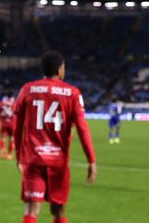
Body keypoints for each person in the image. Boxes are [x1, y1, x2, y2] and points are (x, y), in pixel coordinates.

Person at [13, 51, 97, 223]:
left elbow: (17, 127)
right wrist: (91, 160)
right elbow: (82, 128)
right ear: (60, 70)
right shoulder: (72, 93)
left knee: (31, 209)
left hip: (32, 159)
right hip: (58, 161)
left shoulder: (27, 89)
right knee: (58, 209)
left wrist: (18, 157)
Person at [0, 92, 15, 159]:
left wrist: (1, 120)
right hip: (12, 123)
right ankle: (9, 154)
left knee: (2, 138)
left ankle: (3, 150)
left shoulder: (2, 103)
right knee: (12, 138)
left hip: (4, 123)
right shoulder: (14, 103)